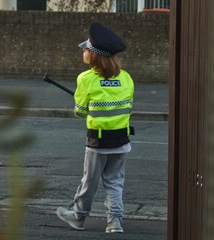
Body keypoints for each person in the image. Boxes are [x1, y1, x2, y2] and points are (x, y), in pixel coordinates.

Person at [56, 22, 134, 233]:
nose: (83, 51)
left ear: (95, 54)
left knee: (89, 182)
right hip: (122, 141)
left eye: (86, 48)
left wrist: (83, 103)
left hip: (98, 143)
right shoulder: (126, 77)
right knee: (115, 183)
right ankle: (115, 222)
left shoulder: (86, 79)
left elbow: (80, 112)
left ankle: (79, 217)